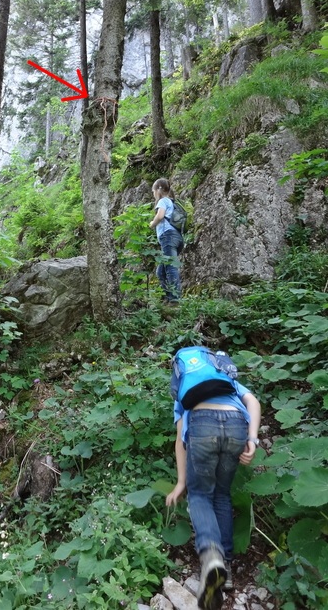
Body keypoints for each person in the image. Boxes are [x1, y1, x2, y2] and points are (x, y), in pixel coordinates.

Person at [165, 355, 262, 610]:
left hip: (202, 425)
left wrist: (181, 482)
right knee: (222, 494)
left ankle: (210, 555)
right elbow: (253, 401)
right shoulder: (225, 380)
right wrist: (253, 438)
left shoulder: (184, 391)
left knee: (199, 495)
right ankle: (225, 568)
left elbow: (180, 439)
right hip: (236, 424)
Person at [149, 178, 184, 304]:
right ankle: (167, 297)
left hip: (168, 237)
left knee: (170, 268)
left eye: (153, 191)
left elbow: (160, 216)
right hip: (177, 238)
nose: (153, 194)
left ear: (158, 190)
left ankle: (175, 300)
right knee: (161, 271)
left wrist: (152, 224)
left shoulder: (163, 201)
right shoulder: (172, 202)